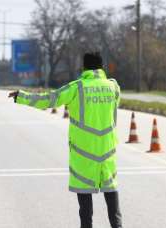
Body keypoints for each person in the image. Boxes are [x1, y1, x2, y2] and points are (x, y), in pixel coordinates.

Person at [8, 52, 122, 228]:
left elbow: (50, 99)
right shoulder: (113, 87)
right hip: (107, 155)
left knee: (85, 212)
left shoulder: (77, 87)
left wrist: (22, 96)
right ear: (101, 67)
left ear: (83, 67)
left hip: (84, 155)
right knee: (114, 209)